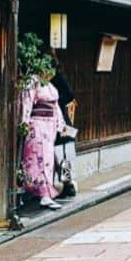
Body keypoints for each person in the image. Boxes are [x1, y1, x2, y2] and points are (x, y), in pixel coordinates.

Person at [19, 62, 64, 208]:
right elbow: (27, 103)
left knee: (48, 159)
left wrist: (60, 124)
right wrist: (24, 122)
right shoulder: (32, 81)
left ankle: (43, 193)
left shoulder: (50, 86)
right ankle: (43, 194)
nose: (51, 73)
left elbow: (56, 107)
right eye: (49, 69)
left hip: (49, 126)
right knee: (38, 158)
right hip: (37, 125)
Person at [50, 59, 78, 199]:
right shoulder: (54, 79)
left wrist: (58, 101)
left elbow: (70, 96)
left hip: (60, 120)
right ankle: (66, 185)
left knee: (63, 153)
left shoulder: (57, 78)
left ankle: (68, 185)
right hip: (55, 120)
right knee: (60, 153)